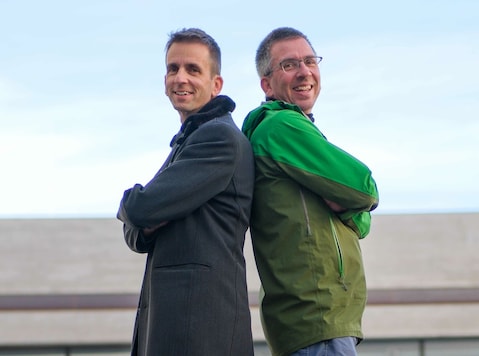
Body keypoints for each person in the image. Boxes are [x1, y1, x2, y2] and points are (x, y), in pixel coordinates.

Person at [241, 27, 379, 356]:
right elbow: (364, 186)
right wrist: (351, 202)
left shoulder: (292, 130)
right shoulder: (282, 126)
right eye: (289, 65)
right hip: (316, 319)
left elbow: (362, 222)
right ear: (266, 84)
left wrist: (347, 208)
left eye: (309, 61)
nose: (304, 72)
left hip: (316, 322)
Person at [117, 28, 254, 356]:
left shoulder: (218, 138)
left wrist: (132, 201)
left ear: (215, 84)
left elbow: (140, 211)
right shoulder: (189, 141)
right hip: (178, 325)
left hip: (200, 328)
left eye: (193, 70)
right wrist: (146, 217)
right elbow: (137, 236)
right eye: (172, 68)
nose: (180, 78)